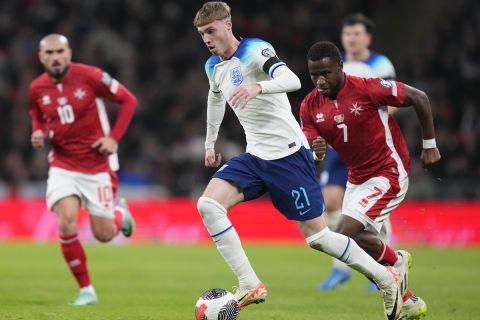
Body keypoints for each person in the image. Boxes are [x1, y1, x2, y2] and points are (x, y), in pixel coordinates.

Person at [193, 3, 403, 319]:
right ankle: (249, 283)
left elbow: (291, 79)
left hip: (290, 156)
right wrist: (210, 142)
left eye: (211, 31)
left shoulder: (255, 50)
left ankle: (386, 278)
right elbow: (214, 98)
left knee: (318, 238)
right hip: (256, 156)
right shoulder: (213, 66)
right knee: (208, 205)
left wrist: (257, 86)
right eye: (201, 34)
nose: (207, 38)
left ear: (227, 25)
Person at [300, 41, 441, 320]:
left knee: (342, 233)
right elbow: (309, 142)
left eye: (326, 73)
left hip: (388, 171)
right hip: (356, 178)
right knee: (350, 238)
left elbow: (419, 97)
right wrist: (315, 149)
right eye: (314, 74)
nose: (320, 80)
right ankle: (402, 282)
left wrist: (429, 144)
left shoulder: (366, 87)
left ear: (340, 67)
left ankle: (392, 273)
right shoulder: (309, 105)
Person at [28, 34, 137, 306]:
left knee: (103, 235)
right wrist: (38, 133)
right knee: (66, 222)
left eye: (60, 51)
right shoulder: (36, 88)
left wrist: (113, 138)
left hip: (97, 164)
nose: (55, 57)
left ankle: (118, 213)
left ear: (69, 52)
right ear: (41, 57)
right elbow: (38, 118)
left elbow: (129, 101)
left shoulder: (91, 76)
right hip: (63, 164)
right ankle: (86, 290)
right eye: (49, 53)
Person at [319, 13, 397, 292]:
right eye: (347, 34)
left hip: (369, 146)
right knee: (330, 203)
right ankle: (341, 269)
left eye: (356, 34)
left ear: (368, 38)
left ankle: (384, 266)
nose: (351, 38)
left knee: (373, 212)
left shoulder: (379, 65)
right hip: (339, 145)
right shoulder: (334, 64)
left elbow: (395, 101)